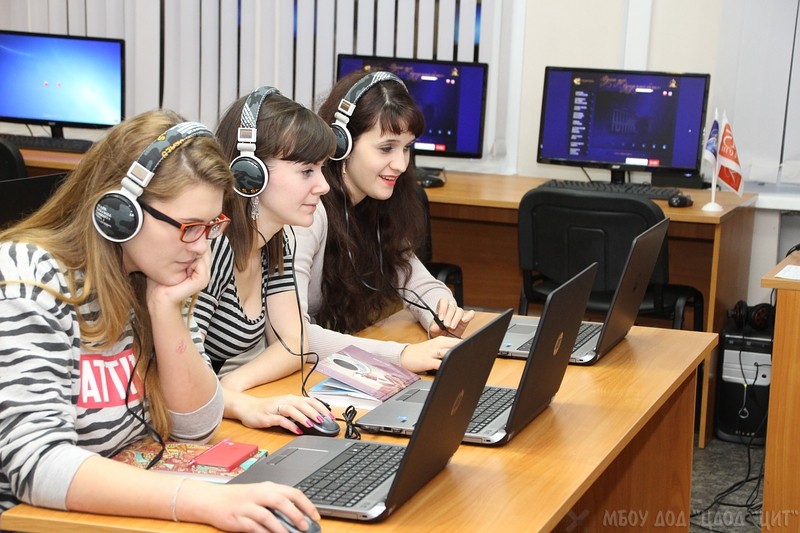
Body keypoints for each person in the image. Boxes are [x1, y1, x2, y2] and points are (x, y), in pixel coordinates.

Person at [0, 110, 319, 532]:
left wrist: (166, 310)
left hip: (119, 511)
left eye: (211, 226)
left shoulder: (153, 275)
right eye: (190, 227)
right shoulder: (26, 281)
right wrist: (201, 500)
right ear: (119, 213)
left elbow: (196, 426)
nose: (202, 247)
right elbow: (37, 464)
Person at [293, 70, 475, 373]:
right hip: (285, 373)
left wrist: (441, 313)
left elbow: (415, 278)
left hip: (323, 366)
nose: (401, 164)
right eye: (386, 148)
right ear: (341, 144)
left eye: (407, 147)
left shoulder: (378, 202)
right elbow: (293, 337)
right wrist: (400, 355)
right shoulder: (308, 213)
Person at [194, 87, 337, 434]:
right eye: (307, 171)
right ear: (250, 174)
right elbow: (186, 380)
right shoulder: (212, 247)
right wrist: (239, 403)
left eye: (321, 169)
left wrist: (231, 386)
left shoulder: (275, 241)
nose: (324, 186)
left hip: (220, 409)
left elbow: (294, 345)